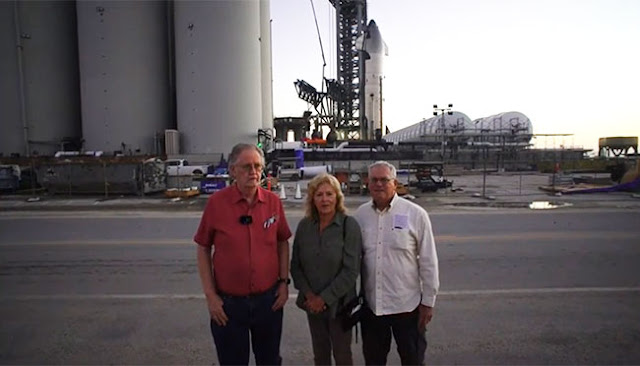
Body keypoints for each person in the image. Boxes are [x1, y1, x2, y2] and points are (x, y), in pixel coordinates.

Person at [193, 143, 292, 366]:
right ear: (232, 170)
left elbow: (283, 241)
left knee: (270, 360)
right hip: (228, 306)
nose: (253, 172)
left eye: (257, 166)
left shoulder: (273, 202)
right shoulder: (216, 204)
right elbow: (202, 248)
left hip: (268, 302)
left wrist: (284, 283)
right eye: (246, 166)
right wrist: (211, 297)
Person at [353, 161, 439, 366]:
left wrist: (428, 301)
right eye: (374, 180)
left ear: (395, 183)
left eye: (385, 180)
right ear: (368, 183)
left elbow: (428, 260)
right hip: (373, 308)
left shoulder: (416, 214)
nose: (379, 184)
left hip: (407, 308)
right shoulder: (360, 216)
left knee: (413, 360)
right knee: (374, 361)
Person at [290, 173, 362, 366]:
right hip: (312, 306)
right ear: (312, 198)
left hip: (340, 306)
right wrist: (310, 297)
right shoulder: (305, 226)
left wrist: (324, 299)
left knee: (342, 356)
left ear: (337, 197)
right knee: (320, 356)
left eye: (329, 194)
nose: (324, 199)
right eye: (319, 194)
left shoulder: (349, 225)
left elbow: (350, 271)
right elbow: (296, 266)